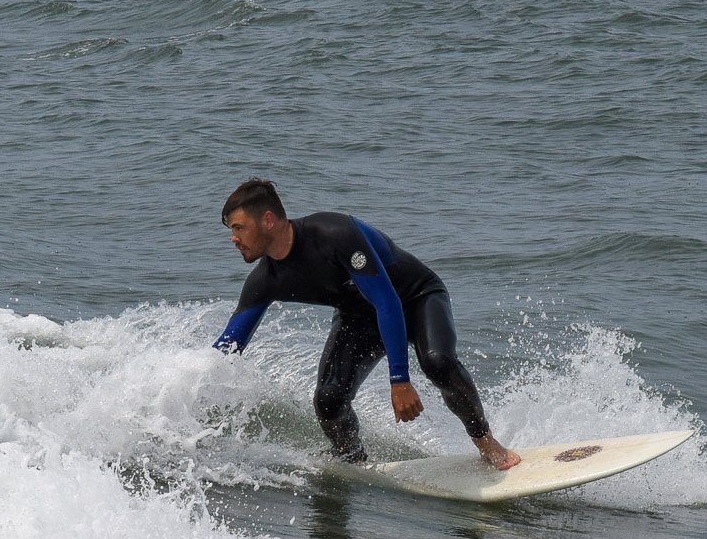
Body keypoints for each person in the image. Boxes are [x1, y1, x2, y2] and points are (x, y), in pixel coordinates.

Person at [212, 178, 520, 471]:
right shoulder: (265, 280)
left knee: (438, 363)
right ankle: (353, 461)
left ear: (267, 220)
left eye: (239, 228)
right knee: (329, 399)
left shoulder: (334, 233)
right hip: (358, 318)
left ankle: (488, 445)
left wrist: (399, 379)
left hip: (416, 297)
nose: (233, 238)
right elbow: (228, 346)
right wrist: (189, 384)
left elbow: (387, 301)